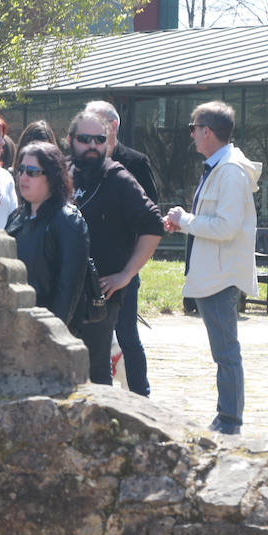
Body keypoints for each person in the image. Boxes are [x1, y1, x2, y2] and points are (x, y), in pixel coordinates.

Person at [164, 101, 262, 437]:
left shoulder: (230, 170)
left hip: (220, 275)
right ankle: (227, 417)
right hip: (213, 272)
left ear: (207, 131)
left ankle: (230, 421)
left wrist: (185, 221)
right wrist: (186, 222)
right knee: (224, 351)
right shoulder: (221, 167)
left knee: (226, 352)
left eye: (193, 128)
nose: (191, 135)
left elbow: (226, 227)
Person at [67, 110, 163, 386]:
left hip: (100, 294)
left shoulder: (117, 177)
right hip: (61, 289)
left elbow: (153, 225)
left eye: (99, 139)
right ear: (71, 140)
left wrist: (127, 273)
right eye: (85, 139)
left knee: (98, 371)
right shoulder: (61, 173)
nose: (93, 146)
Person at [5, 141, 89, 330]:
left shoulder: (68, 221)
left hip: (48, 329)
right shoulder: (16, 217)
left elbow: (68, 289)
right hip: (14, 324)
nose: (23, 177)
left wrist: (52, 334)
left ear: (51, 177)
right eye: (21, 170)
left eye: (32, 172)